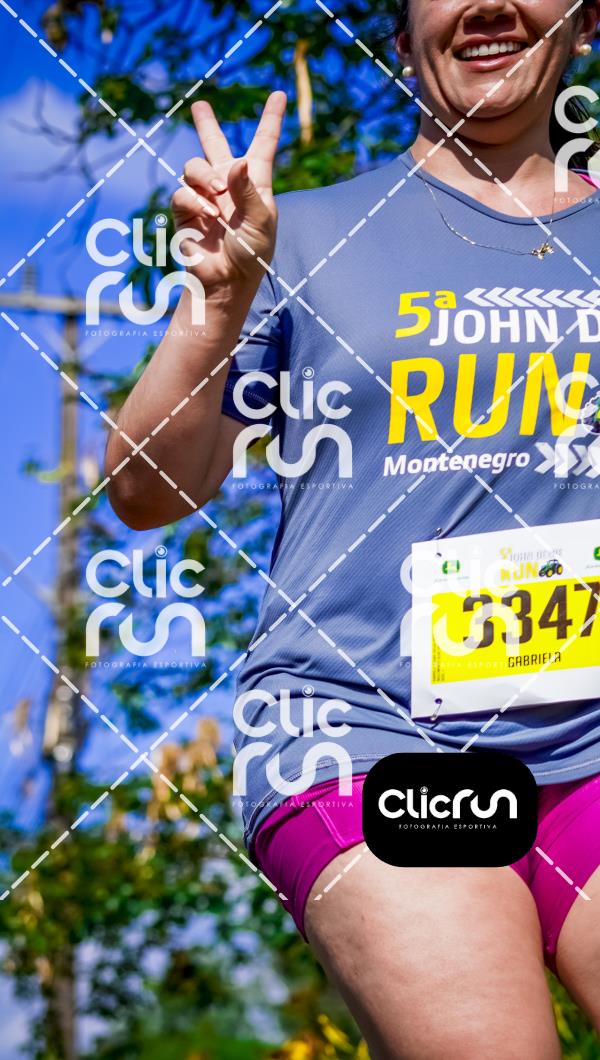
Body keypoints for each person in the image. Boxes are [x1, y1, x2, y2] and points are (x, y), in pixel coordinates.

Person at [105, 0, 600, 1055]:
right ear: (402, 32)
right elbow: (146, 493)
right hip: (368, 733)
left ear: (588, 18)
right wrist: (217, 306)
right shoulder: (298, 234)